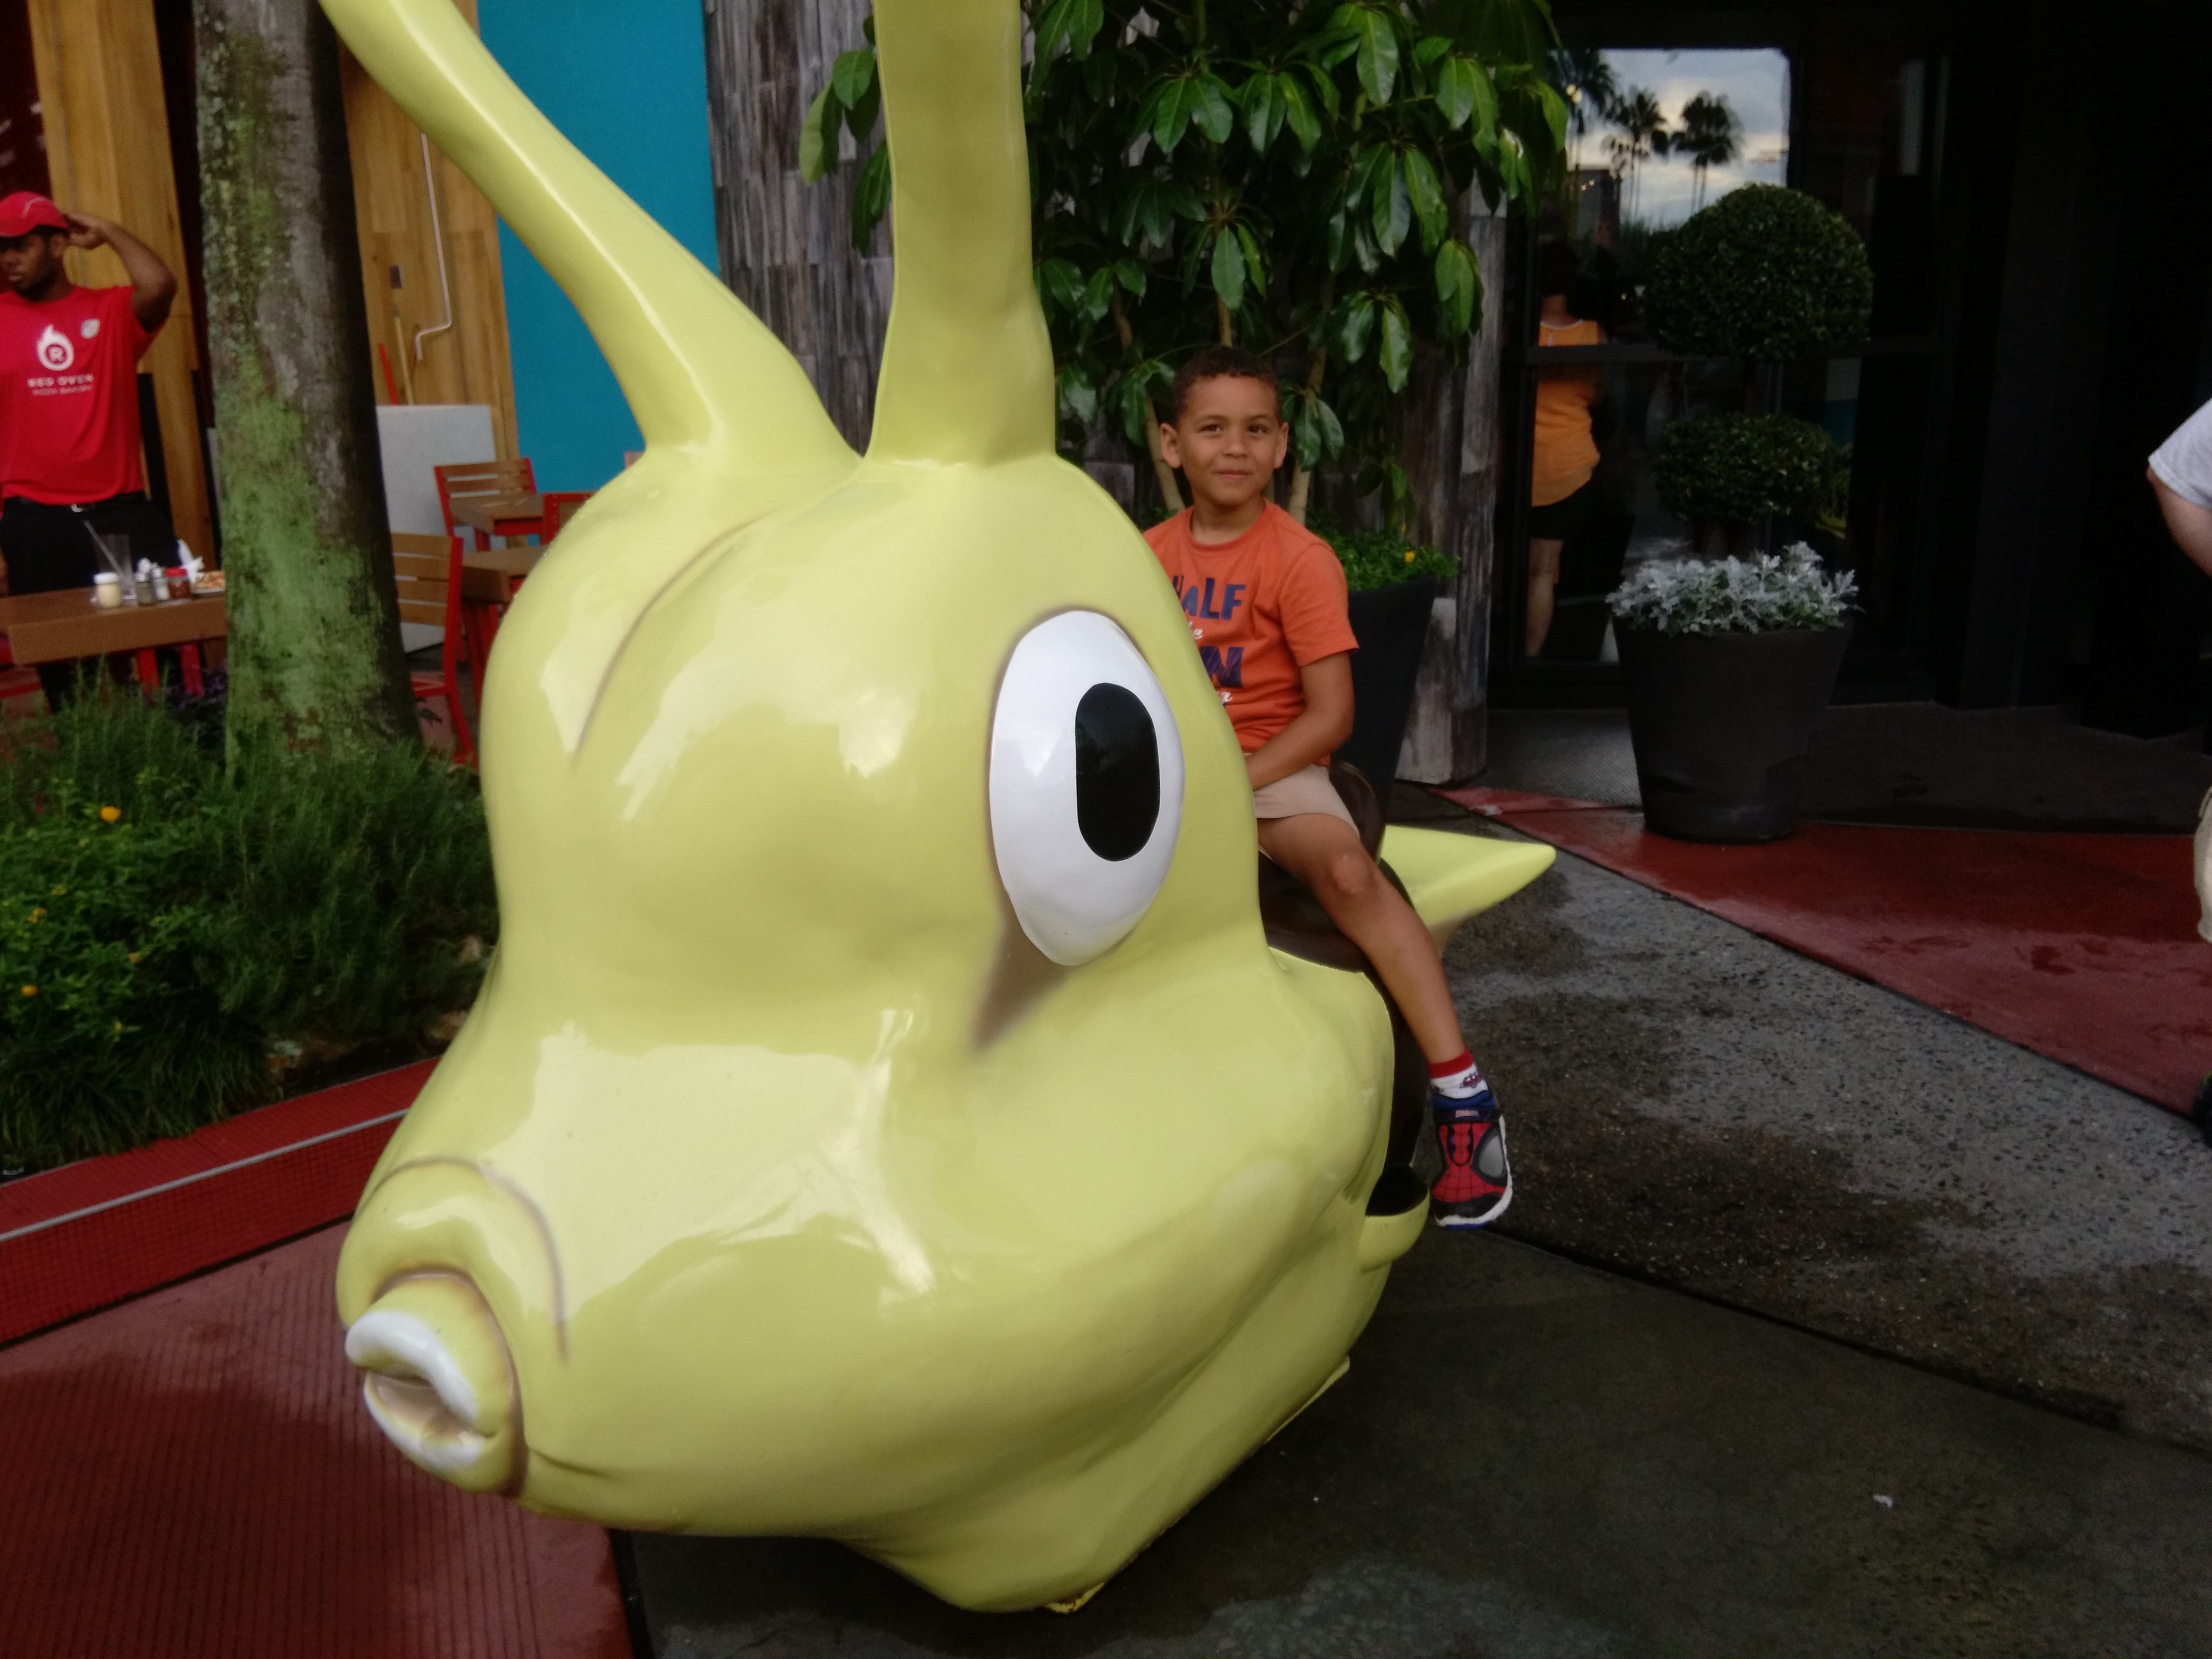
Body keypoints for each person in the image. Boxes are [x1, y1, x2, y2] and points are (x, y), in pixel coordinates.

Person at [1146, 346, 1512, 1228]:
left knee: (1348, 875)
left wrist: (1235, 784)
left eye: (1256, 430)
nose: (1236, 447)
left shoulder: (1298, 560)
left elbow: (1332, 715)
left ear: (1282, 447)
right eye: (1212, 429)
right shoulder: (1145, 557)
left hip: (1273, 770)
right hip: (1175, 774)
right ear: (1171, 444)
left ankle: (1463, 1095)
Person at [0, 191, 179, 707]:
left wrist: (110, 231)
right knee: (63, 675)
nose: (8, 259)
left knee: (164, 651)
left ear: (59, 245)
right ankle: (84, 758)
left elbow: (159, 285)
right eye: (1, 249)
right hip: (35, 521)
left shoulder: (109, 311)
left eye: (21, 246)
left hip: (122, 513)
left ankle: (183, 746)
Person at [1526, 240, 1605, 657]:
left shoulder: (1518, 329)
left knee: (1503, 567)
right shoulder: (1593, 334)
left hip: (1518, 464)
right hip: (1568, 466)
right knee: (1542, 571)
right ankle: (1528, 660)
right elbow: (1600, 394)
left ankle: (1496, 659)